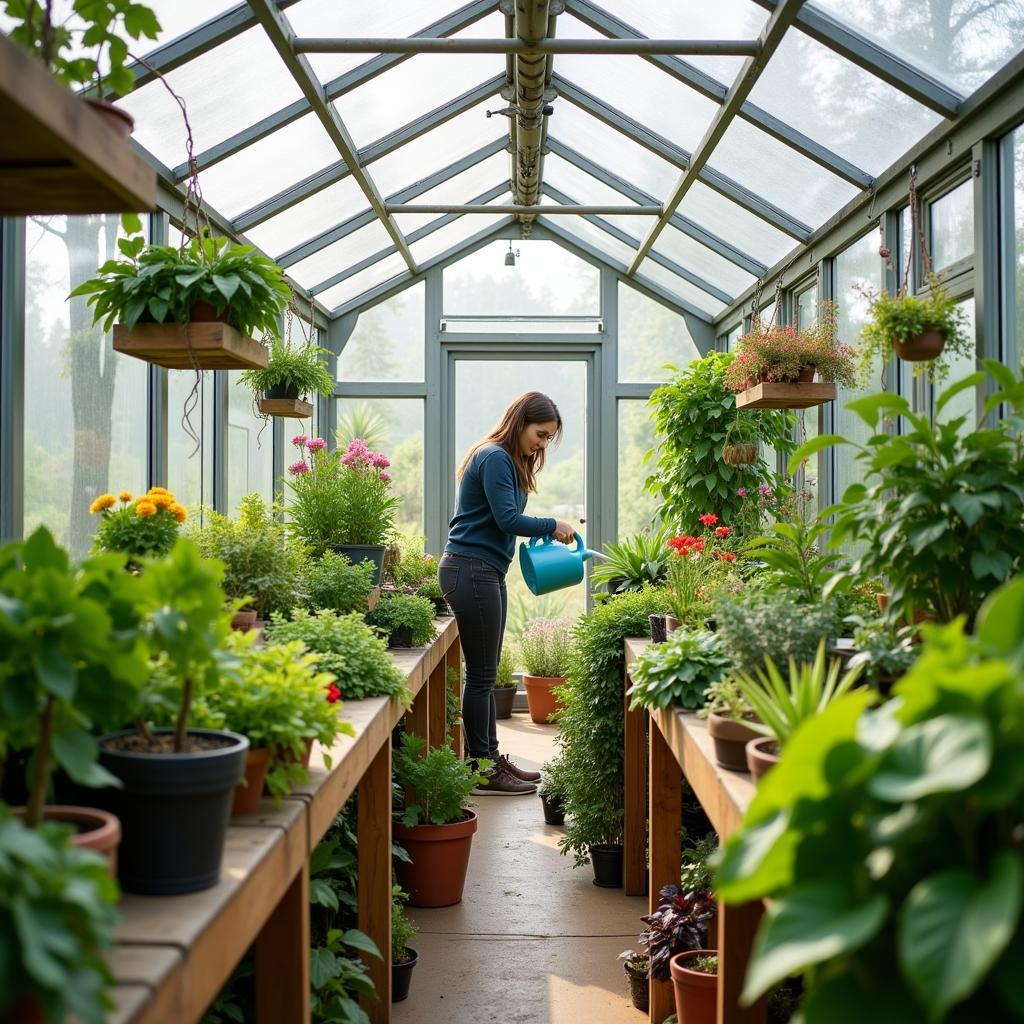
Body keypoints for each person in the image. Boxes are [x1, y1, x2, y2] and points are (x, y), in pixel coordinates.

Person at [439, 392, 576, 795]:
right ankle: (481, 769)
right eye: (540, 434)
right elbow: (508, 519)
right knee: (481, 677)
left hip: (482, 570)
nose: (542, 444)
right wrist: (553, 524)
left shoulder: (504, 459)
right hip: (471, 569)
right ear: (520, 423)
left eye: (549, 438)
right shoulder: (495, 456)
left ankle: (490, 759)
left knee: (483, 673)